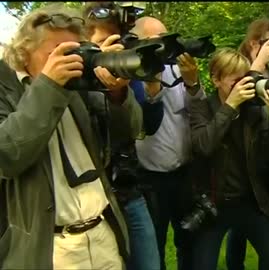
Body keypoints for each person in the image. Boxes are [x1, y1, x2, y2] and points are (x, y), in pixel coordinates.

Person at [0, 3, 143, 269]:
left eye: (75, 50)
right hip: (50, 247)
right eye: (60, 53)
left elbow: (128, 132)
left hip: (102, 235)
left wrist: (117, 95)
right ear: (24, 52)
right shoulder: (4, 87)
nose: (71, 61)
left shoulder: (81, 83)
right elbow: (8, 155)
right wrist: (49, 86)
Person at [189, 48, 269, 270]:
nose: (242, 87)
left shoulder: (254, 109)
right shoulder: (202, 107)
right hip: (213, 203)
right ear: (216, 79)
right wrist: (230, 106)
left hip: (250, 200)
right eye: (235, 82)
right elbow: (203, 146)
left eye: (245, 80)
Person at [82, 2, 161, 270]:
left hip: (128, 187)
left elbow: (137, 129)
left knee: (149, 263)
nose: (115, 50)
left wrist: (119, 94)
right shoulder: (73, 78)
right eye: (105, 42)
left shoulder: (127, 75)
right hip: (92, 199)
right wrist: (94, 70)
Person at [132, 16, 205, 270]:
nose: (163, 46)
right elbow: (142, 124)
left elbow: (198, 113)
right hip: (150, 180)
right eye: (155, 41)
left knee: (189, 241)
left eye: (165, 38)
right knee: (155, 247)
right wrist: (151, 82)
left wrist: (193, 82)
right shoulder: (130, 74)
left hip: (185, 174)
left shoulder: (177, 68)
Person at [226, 18, 269, 270]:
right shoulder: (241, 66)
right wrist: (260, 59)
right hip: (244, 162)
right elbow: (239, 95)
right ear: (255, 42)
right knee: (239, 229)